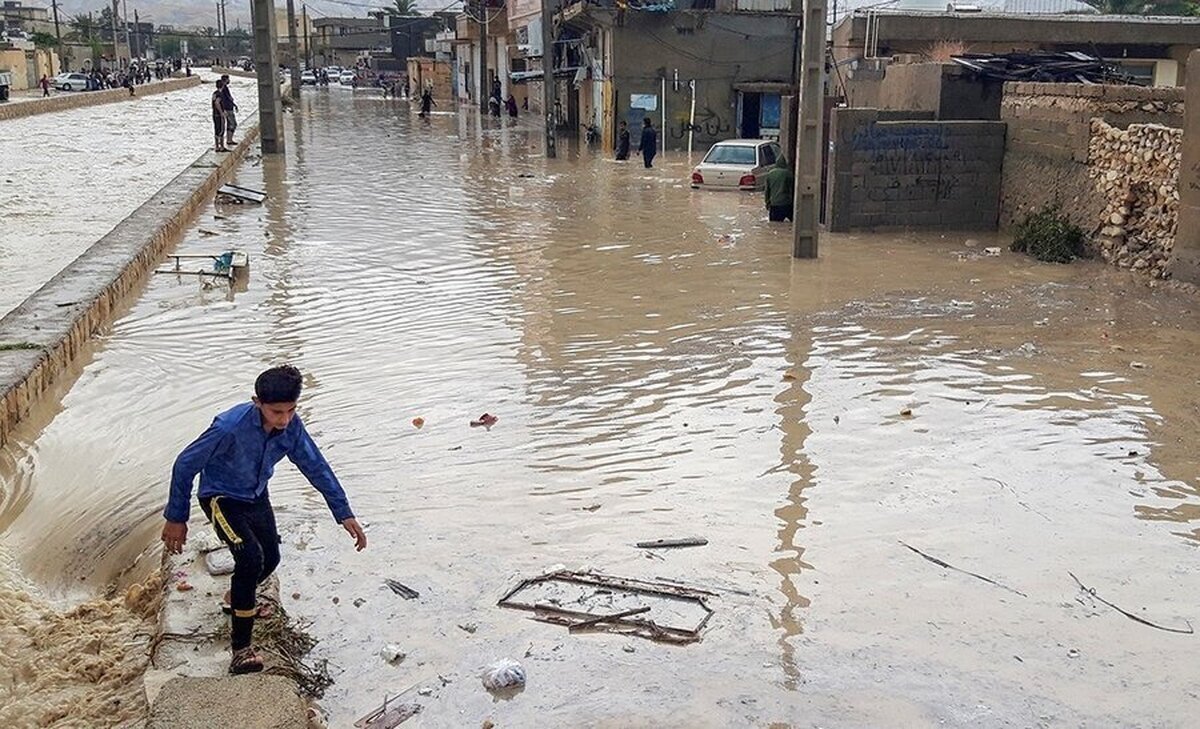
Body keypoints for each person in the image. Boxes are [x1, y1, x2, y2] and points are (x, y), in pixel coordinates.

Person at [161, 365, 367, 675]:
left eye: (290, 410)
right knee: (249, 556)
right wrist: (177, 517)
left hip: (256, 494)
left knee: (270, 557)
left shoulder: (291, 426)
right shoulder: (229, 427)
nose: (284, 419)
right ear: (257, 402)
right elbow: (185, 464)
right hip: (221, 496)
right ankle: (241, 649)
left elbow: (315, 465)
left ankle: (237, 597)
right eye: (276, 412)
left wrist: (343, 512)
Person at [763, 154, 795, 222]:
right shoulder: (788, 174)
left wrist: (767, 203)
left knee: (774, 226)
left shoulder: (770, 174)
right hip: (787, 204)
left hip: (774, 204)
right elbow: (792, 189)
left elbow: (767, 191)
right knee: (792, 224)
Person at [218, 74, 238, 148]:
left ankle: (229, 139)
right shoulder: (223, 89)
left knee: (230, 124)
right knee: (232, 124)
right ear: (225, 80)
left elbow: (229, 98)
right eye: (228, 79)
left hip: (229, 108)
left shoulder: (225, 88)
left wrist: (234, 105)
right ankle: (229, 140)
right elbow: (224, 99)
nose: (229, 81)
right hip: (228, 109)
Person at [211, 79, 228, 152]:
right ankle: (221, 147)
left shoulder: (214, 93)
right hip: (219, 114)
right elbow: (217, 103)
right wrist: (222, 113)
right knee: (221, 130)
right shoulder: (220, 94)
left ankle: (217, 146)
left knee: (216, 129)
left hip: (214, 114)